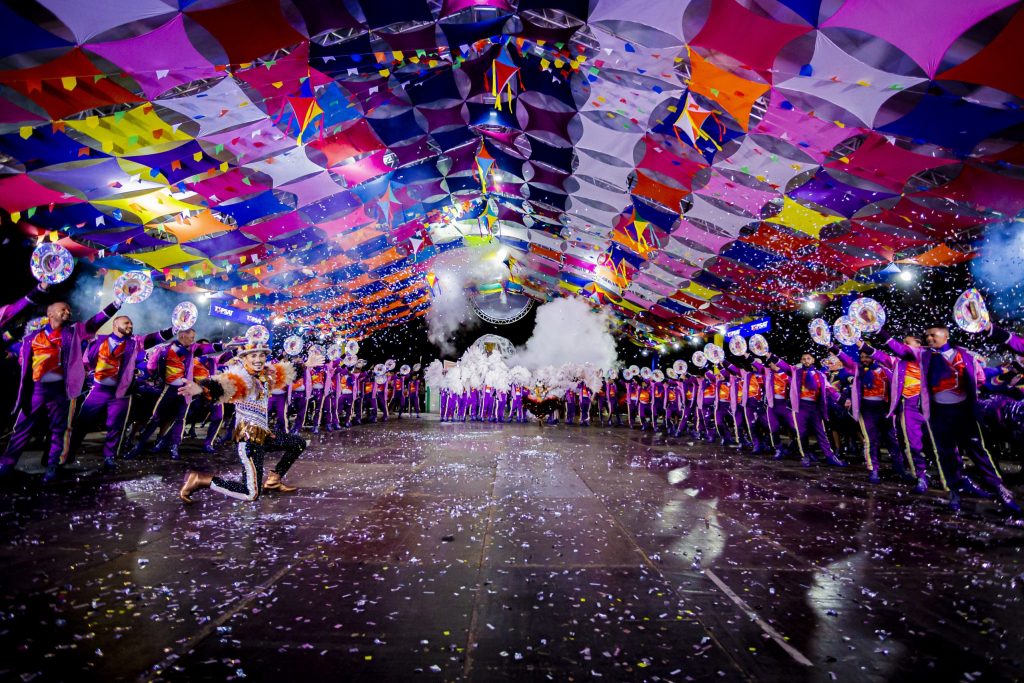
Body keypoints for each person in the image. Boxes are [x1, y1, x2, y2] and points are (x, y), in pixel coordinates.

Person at [874, 323, 1020, 514]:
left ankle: (999, 489)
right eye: (926, 336)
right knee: (946, 454)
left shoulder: (966, 356)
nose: (928, 339)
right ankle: (955, 491)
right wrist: (879, 331)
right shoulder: (924, 355)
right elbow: (898, 349)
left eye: (932, 335)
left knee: (978, 452)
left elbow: (981, 379)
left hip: (964, 412)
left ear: (945, 336)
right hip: (939, 414)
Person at [0, 297, 122, 481]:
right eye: (63, 310)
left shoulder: (74, 332)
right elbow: (11, 346)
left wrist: (116, 304)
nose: (68, 312)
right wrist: (11, 338)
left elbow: (95, 322)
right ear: (50, 314)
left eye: (68, 310)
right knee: (23, 427)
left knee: (60, 429)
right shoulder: (32, 337)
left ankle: (52, 466)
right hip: (36, 390)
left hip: (60, 390)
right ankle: (7, 464)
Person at [177, 340, 305, 503]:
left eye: (261, 355)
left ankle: (273, 481)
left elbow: (285, 372)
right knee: (250, 494)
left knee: (298, 443)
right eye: (253, 355)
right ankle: (201, 480)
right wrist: (202, 389)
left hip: (264, 436)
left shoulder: (266, 376)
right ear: (245, 358)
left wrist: (306, 364)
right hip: (249, 441)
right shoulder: (241, 378)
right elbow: (223, 386)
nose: (258, 359)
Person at [71, 315, 174, 468]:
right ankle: (68, 453)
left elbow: (154, 338)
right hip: (99, 389)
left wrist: (174, 329)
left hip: (121, 392)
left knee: (116, 426)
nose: (130, 326)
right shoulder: (99, 340)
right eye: (126, 323)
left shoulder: (134, 342)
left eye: (131, 323)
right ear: (115, 324)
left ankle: (109, 457)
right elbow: (86, 362)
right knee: (82, 422)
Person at [127, 329, 225, 460]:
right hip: (168, 390)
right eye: (191, 337)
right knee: (156, 418)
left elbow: (206, 348)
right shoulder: (164, 350)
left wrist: (224, 346)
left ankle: (174, 447)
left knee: (180, 419)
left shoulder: (192, 349)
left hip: (186, 390)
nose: (193, 340)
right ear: (183, 336)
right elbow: (151, 368)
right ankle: (139, 446)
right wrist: (142, 375)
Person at [769, 352, 846, 468]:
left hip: (815, 408)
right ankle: (805, 455)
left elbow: (830, 389)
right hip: (801, 408)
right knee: (802, 433)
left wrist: (843, 401)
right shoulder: (796, 372)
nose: (806, 361)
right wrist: (770, 356)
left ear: (813, 360)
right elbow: (784, 366)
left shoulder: (820, 375)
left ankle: (830, 456)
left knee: (821, 433)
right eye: (803, 359)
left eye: (808, 358)